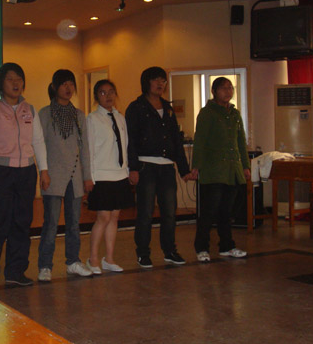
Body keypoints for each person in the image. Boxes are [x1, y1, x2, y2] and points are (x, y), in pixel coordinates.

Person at [0, 62, 50, 290]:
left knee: (22, 223)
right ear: (1, 84)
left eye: (19, 79)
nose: (15, 83)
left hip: (26, 172)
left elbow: (38, 141)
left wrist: (43, 170)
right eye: (10, 79)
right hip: (0, 172)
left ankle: (15, 273)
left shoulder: (30, 110)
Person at [125, 66, 190, 269]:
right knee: (145, 213)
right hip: (146, 166)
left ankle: (170, 251)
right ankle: (143, 253)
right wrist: (133, 167)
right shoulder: (136, 107)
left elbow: (176, 140)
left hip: (167, 167)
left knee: (169, 212)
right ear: (147, 82)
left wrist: (184, 169)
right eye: (156, 80)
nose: (160, 84)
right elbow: (130, 140)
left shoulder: (168, 108)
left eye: (163, 80)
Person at [37, 69, 93, 282]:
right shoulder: (44, 114)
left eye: (71, 84)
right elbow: (39, 146)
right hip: (53, 175)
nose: (68, 88)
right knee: (51, 224)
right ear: (54, 87)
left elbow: (85, 148)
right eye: (63, 84)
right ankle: (45, 266)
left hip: (75, 176)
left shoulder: (79, 115)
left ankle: (73, 262)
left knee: (74, 223)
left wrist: (87, 176)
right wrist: (43, 172)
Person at [187, 77, 250, 262]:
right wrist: (196, 166)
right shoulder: (207, 113)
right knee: (209, 212)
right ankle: (201, 248)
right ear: (214, 91)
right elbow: (200, 141)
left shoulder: (235, 114)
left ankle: (227, 246)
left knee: (227, 212)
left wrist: (245, 166)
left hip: (232, 170)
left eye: (230, 88)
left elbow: (241, 141)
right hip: (213, 170)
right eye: (223, 88)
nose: (228, 91)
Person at [85, 79, 132, 274]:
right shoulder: (92, 119)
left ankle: (109, 259)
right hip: (101, 175)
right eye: (103, 93)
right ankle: (93, 259)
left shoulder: (120, 118)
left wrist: (127, 171)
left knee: (114, 216)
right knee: (103, 217)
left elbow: (125, 146)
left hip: (119, 173)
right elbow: (88, 149)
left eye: (111, 92)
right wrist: (89, 177)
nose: (108, 96)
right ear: (97, 97)